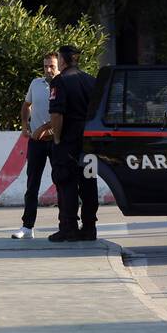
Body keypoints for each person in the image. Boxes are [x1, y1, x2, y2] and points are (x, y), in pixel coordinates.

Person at [48, 44, 98, 242]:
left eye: (59, 58)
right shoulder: (91, 81)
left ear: (63, 60)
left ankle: (68, 228)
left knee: (66, 181)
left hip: (68, 140)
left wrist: (58, 139)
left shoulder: (59, 82)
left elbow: (57, 114)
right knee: (88, 182)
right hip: (89, 142)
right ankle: (89, 227)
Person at [11, 52, 60, 240]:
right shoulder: (36, 83)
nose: (48, 70)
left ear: (59, 66)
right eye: (46, 66)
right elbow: (26, 105)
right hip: (36, 142)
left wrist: (50, 131)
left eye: (52, 66)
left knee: (62, 183)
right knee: (32, 184)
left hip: (57, 141)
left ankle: (67, 224)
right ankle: (27, 226)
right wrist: (25, 126)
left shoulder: (63, 84)